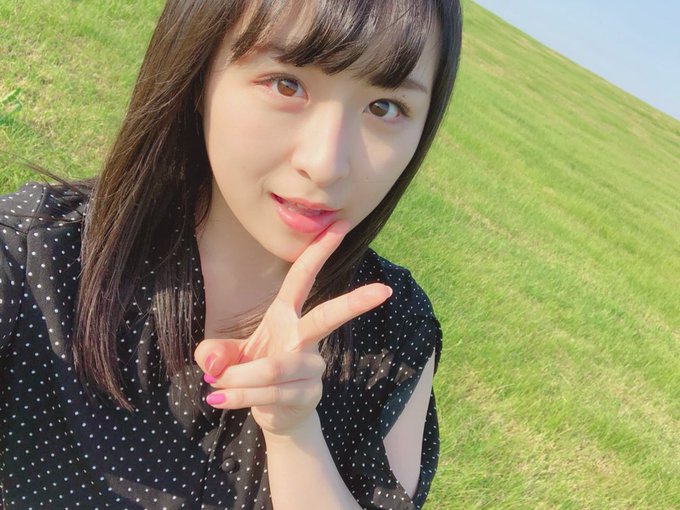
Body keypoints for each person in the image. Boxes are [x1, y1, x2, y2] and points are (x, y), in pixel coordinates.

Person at [0, 0, 462, 508]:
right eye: (286, 84)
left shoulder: (396, 331)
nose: (326, 164)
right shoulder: (34, 259)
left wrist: (294, 434)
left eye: (384, 108)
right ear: (198, 73)